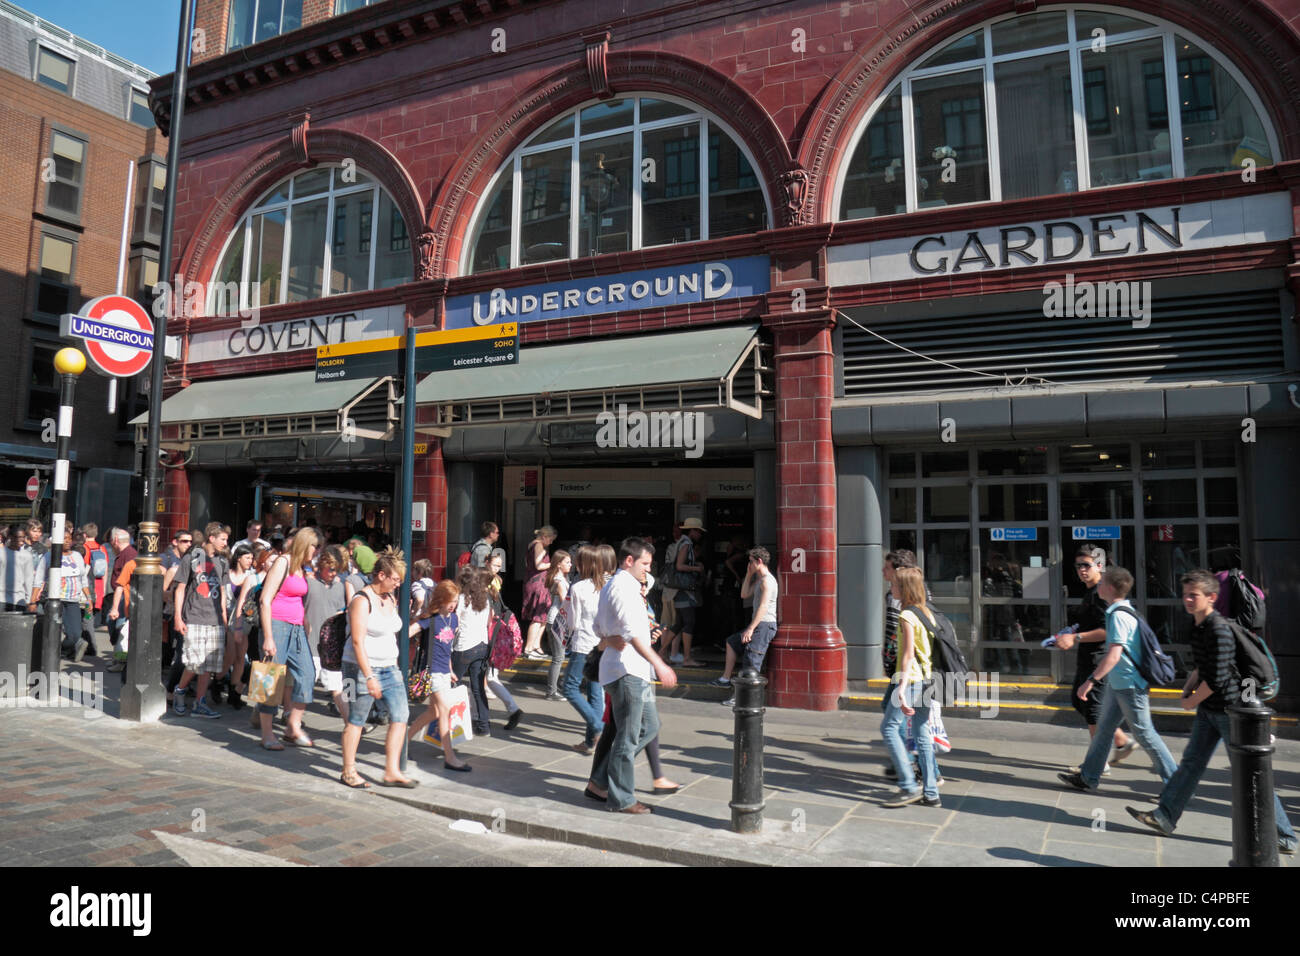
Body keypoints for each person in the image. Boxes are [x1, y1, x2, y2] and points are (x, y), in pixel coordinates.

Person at [1127, 570, 1296, 854]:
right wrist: (1189, 689)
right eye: (1185, 595)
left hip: (1231, 711)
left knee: (1251, 773)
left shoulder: (1219, 628)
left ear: (1212, 598)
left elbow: (1218, 678)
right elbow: (1202, 667)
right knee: (1191, 764)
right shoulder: (1198, 627)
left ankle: (1285, 836)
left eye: (1194, 595)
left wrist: (1190, 702)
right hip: (1210, 711)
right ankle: (1165, 816)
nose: (1188, 600)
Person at [1058, 566, 1177, 792]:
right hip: (1119, 683)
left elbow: (1114, 655)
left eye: (1102, 583)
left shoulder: (1119, 615)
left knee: (1145, 733)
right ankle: (1089, 776)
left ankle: (1175, 784)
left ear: (1110, 588)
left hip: (1130, 685)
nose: (1098, 586)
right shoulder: (1118, 610)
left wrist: (1091, 680)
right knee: (1104, 728)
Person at [587, 537, 678, 814]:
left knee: (647, 727)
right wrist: (660, 664)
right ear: (629, 561)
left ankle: (600, 782)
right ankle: (622, 798)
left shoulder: (628, 585)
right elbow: (631, 633)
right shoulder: (620, 588)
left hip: (634, 670)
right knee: (628, 736)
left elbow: (600, 625)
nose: (648, 571)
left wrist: (607, 637)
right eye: (645, 564)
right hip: (626, 671)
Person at [340, 549, 420, 788]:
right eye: (395, 579)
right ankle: (348, 771)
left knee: (401, 716)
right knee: (356, 720)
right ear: (382, 575)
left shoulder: (390, 598)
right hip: (357, 669)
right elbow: (356, 641)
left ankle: (392, 770)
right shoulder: (361, 600)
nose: (399, 584)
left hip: (389, 667)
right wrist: (369, 676)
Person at [1052, 547, 1134, 773]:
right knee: (1079, 701)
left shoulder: (1101, 593)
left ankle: (1098, 763)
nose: (1081, 570)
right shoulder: (1090, 592)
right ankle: (1121, 741)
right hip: (1087, 656)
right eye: (1078, 566)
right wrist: (1068, 632)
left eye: (1086, 565)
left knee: (1092, 708)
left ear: (1100, 566)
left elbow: (1107, 631)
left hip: (1099, 658)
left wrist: (1075, 636)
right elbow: (1090, 623)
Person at [879, 566, 941, 808]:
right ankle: (932, 792)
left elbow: (907, 655)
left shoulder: (906, 616)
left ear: (903, 589)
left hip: (911, 680)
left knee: (889, 728)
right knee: (923, 734)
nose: (891, 588)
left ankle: (908, 785)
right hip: (928, 680)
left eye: (894, 584)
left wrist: (901, 688)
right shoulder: (927, 612)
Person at [255, 529, 317, 749]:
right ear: (303, 544)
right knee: (270, 679)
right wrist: (269, 636)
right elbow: (265, 600)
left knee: (307, 675)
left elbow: (299, 598)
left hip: (297, 628)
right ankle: (267, 733)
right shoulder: (283, 562)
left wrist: (305, 622)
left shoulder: (303, 568)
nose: (316, 551)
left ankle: (293, 725)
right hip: (277, 626)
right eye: (313, 546)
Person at [407, 580, 471, 772]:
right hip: (432, 671)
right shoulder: (430, 619)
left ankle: (402, 741)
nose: (453, 605)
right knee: (444, 711)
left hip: (444, 671)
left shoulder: (453, 620)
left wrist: (450, 669)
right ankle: (450, 757)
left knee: (433, 712)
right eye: (450, 601)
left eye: (455, 601)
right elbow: (408, 633)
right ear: (441, 599)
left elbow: (447, 648)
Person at [171, 523, 231, 719]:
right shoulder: (192, 558)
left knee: (209, 665)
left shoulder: (222, 562)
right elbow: (180, 589)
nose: (225, 543)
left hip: (215, 620)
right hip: (194, 617)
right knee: (194, 663)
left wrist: (224, 618)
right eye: (222, 539)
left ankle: (200, 702)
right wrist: (178, 618)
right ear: (211, 538)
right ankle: (180, 690)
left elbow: (222, 592)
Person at [708, 547, 778, 701]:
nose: (749, 564)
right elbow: (744, 594)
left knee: (752, 661)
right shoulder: (760, 579)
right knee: (732, 642)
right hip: (758, 624)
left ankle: (743, 699)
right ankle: (726, 679)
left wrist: (751, 629)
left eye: (751, 562)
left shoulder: (768, 581)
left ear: (759, 562)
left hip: (764, 625)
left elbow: (764, 606)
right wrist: (748, 574)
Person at [564, 544, 608, 754]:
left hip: (582, 643)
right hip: (600, 643)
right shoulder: (605, 586)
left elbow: (572, 622)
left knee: (569, 687)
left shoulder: (578, 588)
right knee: (595, 690)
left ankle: (597, 727)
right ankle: (591, 742)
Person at [304, 545, 351, 725]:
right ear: (322, 565)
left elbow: (340, 613)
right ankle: (287, 717)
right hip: (310, 643)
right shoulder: (309, 583)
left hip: (330, 648)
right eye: (330, 569)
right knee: (303, 686)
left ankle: (350, 723)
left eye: (336, 570)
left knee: (338, 687)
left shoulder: (339, 587)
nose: (333, 574)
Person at [484, 549, 523, 730]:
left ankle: (512, 709)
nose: (497, 569)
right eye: (495, 565)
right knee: (487, 677)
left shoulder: (489, 582)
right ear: (487, 563)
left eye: (499, 566)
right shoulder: (494, 581)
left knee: (490, 677)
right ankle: (480, 715)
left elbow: (491, 611)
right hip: (495, 631)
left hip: (490, 632)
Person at [453, 565, 493, 737]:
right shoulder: (484, 599)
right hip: (482, 645)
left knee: (452, 683)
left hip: (464, 646)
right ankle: (484, 726)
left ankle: (453, 724)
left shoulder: (462, 599)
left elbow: (456, 624)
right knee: (478, 688)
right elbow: (488, 622)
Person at [660, 517, 706, 667]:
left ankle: (662, 652)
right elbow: (679, 566)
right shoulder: (686, 544)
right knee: (689, 622)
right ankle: (687, 658)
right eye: (698, 531)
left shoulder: (681, 543)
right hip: (683, 589)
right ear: (691, 531)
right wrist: (696, 568)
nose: (699, 534)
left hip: (676, 589)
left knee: (679, 623)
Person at [219, 544, 257, 709]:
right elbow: (222, 598)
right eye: (247, 557)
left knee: (241, 658)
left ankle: (234, 694)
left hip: (244, 620)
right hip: (228, 617)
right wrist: (224, 619)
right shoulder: (227, 573)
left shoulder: (252, 576)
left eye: (252, 558)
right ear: (238, 558)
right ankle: (218, 682)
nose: (250, 561)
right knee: (229, 656)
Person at [520, 525, 556, 658]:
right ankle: (529, 648)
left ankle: (536, 645)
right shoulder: (539, 545)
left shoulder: (532, 545)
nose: (551, 542)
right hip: (538, 583)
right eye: (551, 539)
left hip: (535, 582)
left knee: (542, 617)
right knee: (538, 616)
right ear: (545, 536)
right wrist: (554, 564)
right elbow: (539, 564)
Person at [541, 549, 572, 700]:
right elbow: (566, 603)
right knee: (558, 658)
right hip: (557, 621)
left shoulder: (559, 578)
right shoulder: (559, 581)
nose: (570, 565)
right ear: (559, 564)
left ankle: (555, 686)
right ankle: (551, 691)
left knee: (558, 657)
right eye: (567, 562)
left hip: (556, 620)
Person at [0, 531, 37, 612]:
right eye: (18, 537)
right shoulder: (1, 553)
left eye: (23, 537)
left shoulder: (27, 555)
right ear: (10, 537)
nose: (21, 540)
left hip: (19, 600)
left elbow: (29, 579)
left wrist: (29, 601)